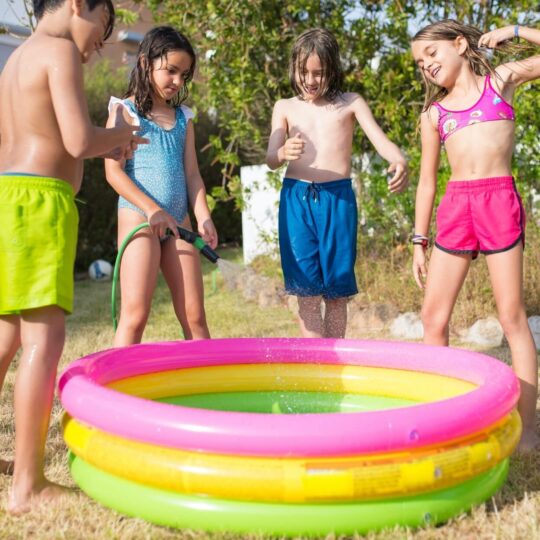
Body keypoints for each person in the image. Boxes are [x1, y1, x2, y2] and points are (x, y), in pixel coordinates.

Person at [0, 0, 143, 514]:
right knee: (45, 337)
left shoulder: (17, 58)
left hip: (8, 196)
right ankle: (28, 486)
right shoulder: (58, 50)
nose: (97, 45)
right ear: (78, 4)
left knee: (9, 332)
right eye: (102, 29)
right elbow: (79, 140)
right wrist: (122, 137)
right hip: (42, 203)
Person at [411, 20, 540, 452]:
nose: (425, 66)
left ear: (460, 45)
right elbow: (427, 182)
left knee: (511, 317)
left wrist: (516, 31)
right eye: (418, 63)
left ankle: (527, 430)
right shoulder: (434, 114)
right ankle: (442, 421)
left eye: (431, 54)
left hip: (498, 200)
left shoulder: (500, 82)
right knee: (433, 318)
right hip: (456, 207)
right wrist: (418, 239)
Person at [266, 28, 408, 339]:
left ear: (333, 70)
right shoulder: (285, 107)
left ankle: (333, 360)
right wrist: (281, 151)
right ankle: (315, 364)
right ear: (293, 68)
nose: (310, 79)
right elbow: (270, 157)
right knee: (306, 292)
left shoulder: (350, 103)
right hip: (297, 200)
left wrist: (399, 159)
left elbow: (381, 141)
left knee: (336, 293)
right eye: (303, 71)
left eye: (319, 72)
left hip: (338, 200)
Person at [105, 26, 218, 345]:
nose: (177, 81)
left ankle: (209, 389)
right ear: (145, 63)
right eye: (170, 70)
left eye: (184, 74)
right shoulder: (124, 111)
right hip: (139, 219)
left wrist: (203, 215)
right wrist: (152, 210)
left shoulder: (183, 117)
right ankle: (116, 391)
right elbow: (114, 173)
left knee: (195, 316)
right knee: (135, 314)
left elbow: (193, 174)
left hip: (179, 222)